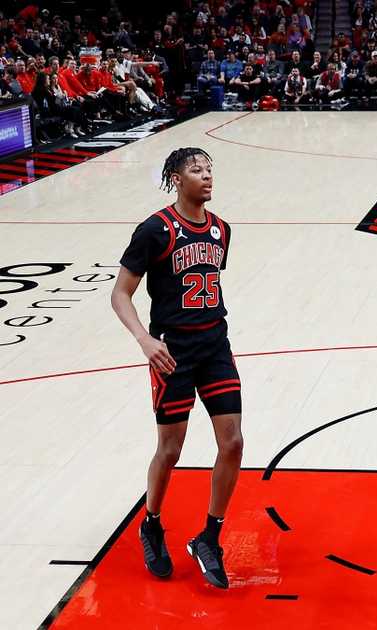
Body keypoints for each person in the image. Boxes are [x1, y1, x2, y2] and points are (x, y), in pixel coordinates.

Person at [110, 148, 243, 590]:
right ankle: (151, 523)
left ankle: (209, 537)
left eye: (209, 169)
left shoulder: (221, 229)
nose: (206, 176)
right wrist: (144, 340)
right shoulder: (154, 230)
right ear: (175, 179)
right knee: (170, 450)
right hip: (172, 352)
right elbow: (120, 294)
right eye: (196, 170)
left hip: (215, 345)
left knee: (233, 442)